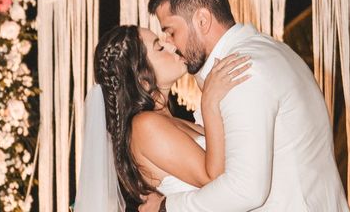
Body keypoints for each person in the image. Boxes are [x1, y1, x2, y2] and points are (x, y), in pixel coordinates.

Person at [140, 0, 349, 212]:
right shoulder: (270, 51)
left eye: (171, 31)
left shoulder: (242, 73)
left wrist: (167, 207)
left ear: (202, 21)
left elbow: (245, 190)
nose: (170, 43)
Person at [74, 24, 251, 211]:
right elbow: (214, 179)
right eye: (159, 47)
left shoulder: (170, 120)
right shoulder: (144, 125)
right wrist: (209, 104)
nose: (171, 45)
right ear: (142, 79)